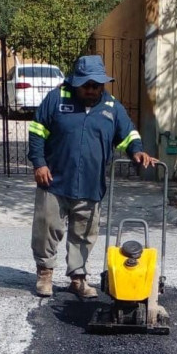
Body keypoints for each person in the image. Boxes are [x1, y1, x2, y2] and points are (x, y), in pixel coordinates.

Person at [27, 55, 157, 297]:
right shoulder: (56, 99)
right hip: (54, 180)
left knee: (84, 234)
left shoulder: (112, 108)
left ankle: (78, 278)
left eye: (96, 85)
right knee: (46, 229)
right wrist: (39, 163)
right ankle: (45, 274)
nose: (91, 90)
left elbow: (128, 134)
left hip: (90, 183)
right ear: (76, 82)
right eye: (86, 85)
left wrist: (137, 151)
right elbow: (36, 132)